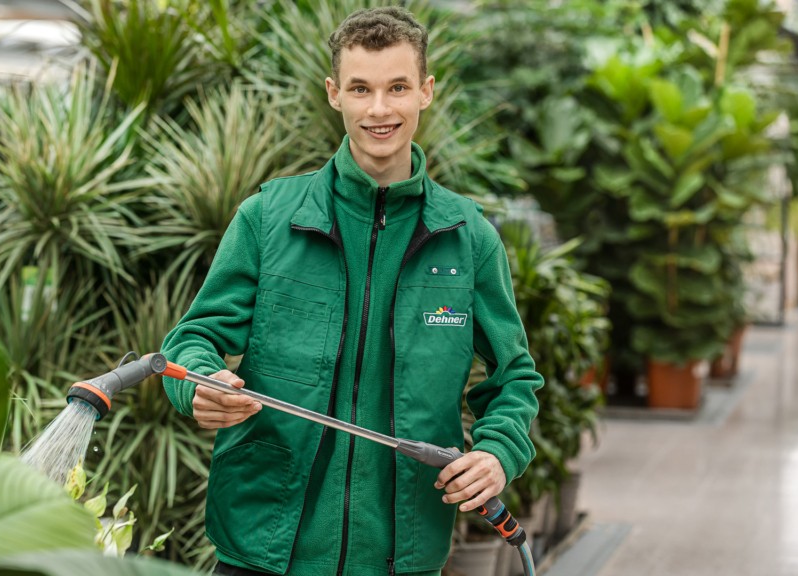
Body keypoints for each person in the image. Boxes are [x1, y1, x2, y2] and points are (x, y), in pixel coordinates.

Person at [161, 7, 542, 576]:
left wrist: (496, 453)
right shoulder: (268, 219)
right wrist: (199, 385)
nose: (380, 109)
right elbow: (193, 339)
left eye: (397, 88)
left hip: (400, 552)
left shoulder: (468, 239)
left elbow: (513, 378)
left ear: (426, 92)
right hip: (263, 546)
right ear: (335, 93)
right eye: (361, 89)